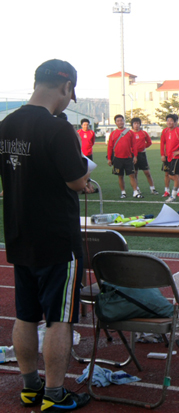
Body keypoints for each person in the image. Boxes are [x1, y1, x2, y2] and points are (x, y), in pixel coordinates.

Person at [0, 59, 91, 411]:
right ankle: (54, 394)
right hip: (56, 239)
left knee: (25, 315)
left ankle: (30, 386)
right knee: (58, 319)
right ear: (66, 87)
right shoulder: (58, 129)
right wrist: (83, 177)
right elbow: (77, 180)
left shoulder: (6, 124)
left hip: (19, 233)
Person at [107, 115, 143, 199]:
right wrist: (109, 159)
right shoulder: (113, 133)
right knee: (120, 176)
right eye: (118, 121)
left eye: (121, 120)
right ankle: (123, 192)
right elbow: (110, 147)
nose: (120, 122)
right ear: (115, 122)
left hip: (128, 158)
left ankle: (135, 192)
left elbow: (134, 145)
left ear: (124, 121)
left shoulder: (130, 132)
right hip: (117, 158)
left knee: (132, 175)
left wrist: (135, 156)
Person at [160, 114, 179, 203]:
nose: (169, 122)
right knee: (172, 176)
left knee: (174, 176)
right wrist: (162, 154)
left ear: (175, 122)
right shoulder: (165, 131)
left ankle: (173, 195)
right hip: (169, 157)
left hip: (176, 157)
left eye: (171, 121)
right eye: (168, 120)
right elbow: (162, 143)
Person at [131, 117, 159, 195]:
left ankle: (152, 188)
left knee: (147, 172)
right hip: (133, 155)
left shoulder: (143, 133)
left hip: (142, 154)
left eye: (138, 123)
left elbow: (149, 142)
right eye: (135, 123)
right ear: (132, 125)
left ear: (140, 124)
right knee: (135, 173)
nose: (136, 125)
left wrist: (143, 147)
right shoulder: (130, 133)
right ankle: (137, 189)